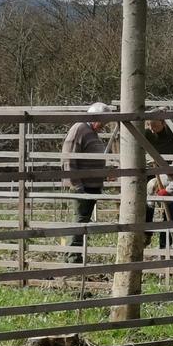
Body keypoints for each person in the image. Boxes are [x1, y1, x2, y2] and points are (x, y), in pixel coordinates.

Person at [61, 102, 112, 263]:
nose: (104, 125)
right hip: (82, 187)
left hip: (92, 186)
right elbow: (68, 158)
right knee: (80, 221)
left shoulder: (91, 131)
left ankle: (74, 255)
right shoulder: (79, 129)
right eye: (102, 121)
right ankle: (73, 257)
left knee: (83, 221)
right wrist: (77, 186)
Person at [143, 114, 173, 250]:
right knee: (148, 202)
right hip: (150, 170)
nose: (152, 128)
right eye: (149, 125)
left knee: (170, 206)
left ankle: (164, 244)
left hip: (169, 172)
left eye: (155, 125)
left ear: (163, 122)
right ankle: (146, 233)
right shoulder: (146, 133)